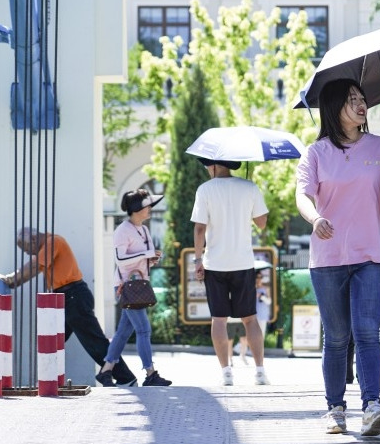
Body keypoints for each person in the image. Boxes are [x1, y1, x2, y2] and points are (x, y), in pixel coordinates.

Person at [295, 77, 380, 436]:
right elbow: (301, 196)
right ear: (333, 108)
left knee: (367, 332)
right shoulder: (316, 153)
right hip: (327, 258)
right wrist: (315, 219)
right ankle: (335, 408)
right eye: (351, 100)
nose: (361, 105)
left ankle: (372, 405)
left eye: (362, 98)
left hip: (371, 255)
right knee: (337, 336)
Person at [0, 227, 140, 387]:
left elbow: (34, 267)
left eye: (27, 249)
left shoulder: (53, 242)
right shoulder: (49, 245)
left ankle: (125, 377)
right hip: (67, 297)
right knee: (52, 339)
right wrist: (13, 282)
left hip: (73, 296)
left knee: (93, 340)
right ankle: (49, 380)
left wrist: (10, 279)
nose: (28, 254)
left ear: (33, 240)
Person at [190, 157, 271, 387]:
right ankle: (260, 372)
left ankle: (226, 373)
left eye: (207, 165)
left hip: (215, 263)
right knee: (250, 319)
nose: (206, 169)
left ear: (215, 165)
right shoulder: (249, 187)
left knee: (218, 319)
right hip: (243, 262)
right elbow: (262, 222)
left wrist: (197, 259)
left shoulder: (205, 190)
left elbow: (199, 227)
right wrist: (248, 200)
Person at [97, 189, 173, 387]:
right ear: (137, 209)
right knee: (143, 330)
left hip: (138, 286)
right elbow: (120, 259)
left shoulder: (144, 230)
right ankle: (150, 374)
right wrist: (146, 254)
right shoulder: (123, 230)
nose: (150, 209)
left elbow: (137, 258)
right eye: (147, 206)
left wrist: (151, 259)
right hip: (126, 287)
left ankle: (106, 371)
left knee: (123, 332)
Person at [236, 270, 273, 363]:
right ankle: (241, 352)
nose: (259, 279)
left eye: (260, 277)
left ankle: (259, 356)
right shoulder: (250, 288)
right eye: (257, 277)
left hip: (263, 315)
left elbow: (269, 302)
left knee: (261, 336)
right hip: (252, 315)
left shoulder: (266, 288)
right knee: (248, 335)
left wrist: (261, 296)